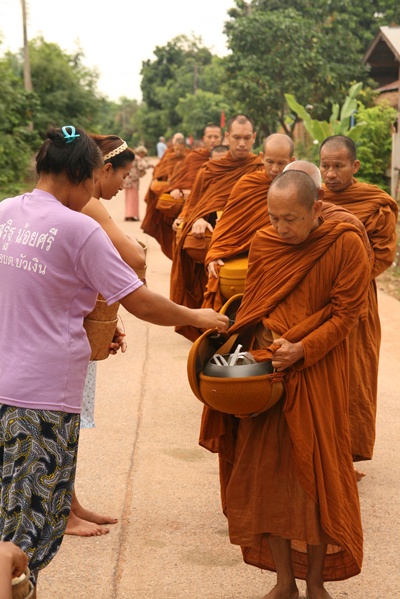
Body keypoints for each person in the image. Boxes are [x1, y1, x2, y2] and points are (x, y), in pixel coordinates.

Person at [0, 125, 229, 597]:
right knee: (21, 544)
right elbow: (141, 300)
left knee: (9, 526)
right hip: (40, 399)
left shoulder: (5, 213)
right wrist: (197, 315)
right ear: (84, 177)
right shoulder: (79, 227)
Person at [198, 169, 370, 599]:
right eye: (274, 217)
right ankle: (284, 581)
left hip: (317, 373)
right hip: (267, 377)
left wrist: (304, 349)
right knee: (264, 479)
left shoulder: (345, 242)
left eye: (290, 218)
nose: (281, 227)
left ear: (316, 209)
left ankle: (314, 582)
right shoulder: (264, 242)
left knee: (313, 478)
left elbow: (346, 314)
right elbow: (255, 305)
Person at [65, 133, 146, 537]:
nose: (124, 187)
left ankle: (69, 503)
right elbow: (136, 258)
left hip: (84, 321)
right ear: (104, 170)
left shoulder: (88, 204)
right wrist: (132, 244)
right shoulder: (92, 204)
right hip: (66, 331)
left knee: (70, 421)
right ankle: (62, 510)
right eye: (124, 177)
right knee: (63, 418)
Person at [319, 135, 398, 465]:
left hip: (356, 301)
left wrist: (346, 280)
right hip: (316, 298)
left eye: (338, 166)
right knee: (318, 377)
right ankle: (318, 451)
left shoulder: (375, 203)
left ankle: (346, 454)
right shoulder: (310, 196)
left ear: (355, 166)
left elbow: (382, 255)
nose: (331, 173)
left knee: (354, 376)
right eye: (325, 165)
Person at [170, 114, 264, 341]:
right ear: (227, 137)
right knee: (193, 242)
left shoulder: (261, 169)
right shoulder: (210, 170)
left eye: (246, 138)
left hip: (250, 237)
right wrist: (199, 219)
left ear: (254, 138)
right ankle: (212, 328)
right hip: (214, 234)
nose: (242, 143)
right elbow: (195, 207)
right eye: (236, 137)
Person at [203, 133, 296, 311]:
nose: (275, 169)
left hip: (282, 259)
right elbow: (227, 223)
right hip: (245, 254)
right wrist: (215, 252)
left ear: (292, 160)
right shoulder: (247, 184)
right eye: (270, 162)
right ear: (261, 157)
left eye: (281, 163)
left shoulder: (298, 188)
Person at [142, 124, 222, 259]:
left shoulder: (230, 158)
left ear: (222, 137)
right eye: (210, 137)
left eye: (216, 137)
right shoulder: (194, 157)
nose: (213, 140)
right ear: (204, 138)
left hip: (218, 211)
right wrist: (176, 189)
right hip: (191, 207)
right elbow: (181, 179)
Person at [124, 145, 152, 222]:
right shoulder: (137, 158)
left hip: (127, 179)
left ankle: (128, 214)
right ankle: (131, 215)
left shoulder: (131, 157)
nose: (142, 154)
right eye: (142, 153)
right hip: (133, 181)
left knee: (128, 198)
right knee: (133, 198)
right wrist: (150, 165)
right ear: (139, 152)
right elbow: (142, 166)